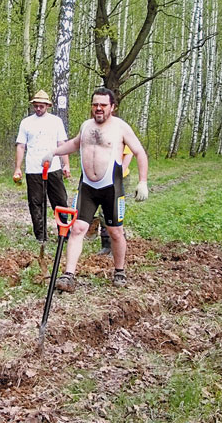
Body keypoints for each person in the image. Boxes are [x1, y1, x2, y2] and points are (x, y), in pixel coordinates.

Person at [41, 87, 148, 290]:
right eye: (95, 104)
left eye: (103, 105)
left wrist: (142, 181)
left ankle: (119, 271)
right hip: (88, 187)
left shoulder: (120, 128)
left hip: (111, 188)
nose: (98, 108)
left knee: (115, 232)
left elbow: (139, 152)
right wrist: (53, 152)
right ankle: (68, 275)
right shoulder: (86, 126)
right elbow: (74, 143)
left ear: (112, 107)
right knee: (77, 228)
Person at [13, 89, 71, 242]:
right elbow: (21, 146)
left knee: (60, 201)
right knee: (36, 202)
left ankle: (64, 234)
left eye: (41, 106)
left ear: (47, 106)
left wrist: (66, 164)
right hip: (33, 168)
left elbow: (62, 144)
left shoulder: (56, 121)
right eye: (36, 106)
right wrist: (18, 168)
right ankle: (41, 236)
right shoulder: (26, 123)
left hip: (53, 168)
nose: (38, 109)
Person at [97, 144, 133, 255]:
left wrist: (120, 172)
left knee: (114, 212)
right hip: (103, 177)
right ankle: (106, 245)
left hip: (119, 177)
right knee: (102, 213)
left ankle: (116, 247)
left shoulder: (118, 131)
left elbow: (128, 153)